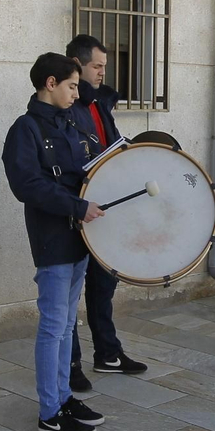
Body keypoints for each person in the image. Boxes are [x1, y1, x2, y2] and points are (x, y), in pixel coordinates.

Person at [3, 52, 109, 431]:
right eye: (71, 85)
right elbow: (27, 185)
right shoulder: (26, 129)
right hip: (52, 237)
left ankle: (63, 396)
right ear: (51, 83)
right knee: (52, 326)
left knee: (67, 325)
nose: (76, 93)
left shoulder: (71, 122)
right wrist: (76, 205)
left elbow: (83, 169)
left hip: (78, 236)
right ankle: (50, 410)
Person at [64, 35, 149, 390]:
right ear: (76, 64)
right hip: (75, 207)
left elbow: (107, 144)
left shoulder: (100, 103)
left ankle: (108, 353)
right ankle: (71, 366)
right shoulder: (67, 103)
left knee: (103, 284)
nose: (102, 73)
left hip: (104, 206)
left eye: (104, 67)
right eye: (96, 66)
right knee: (68, 296)